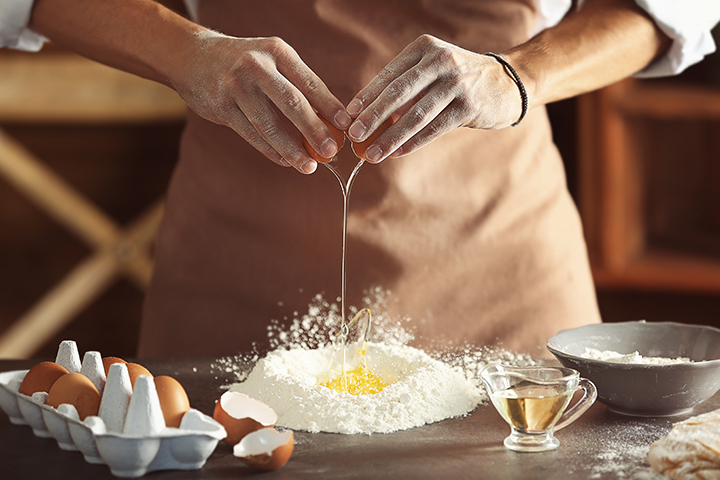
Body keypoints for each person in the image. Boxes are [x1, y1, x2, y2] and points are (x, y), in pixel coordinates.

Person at [2, 0, 719, 357]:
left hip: (502, 284)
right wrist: (186, 53)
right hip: (233, 283)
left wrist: (518, 75)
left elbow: (668, 8)